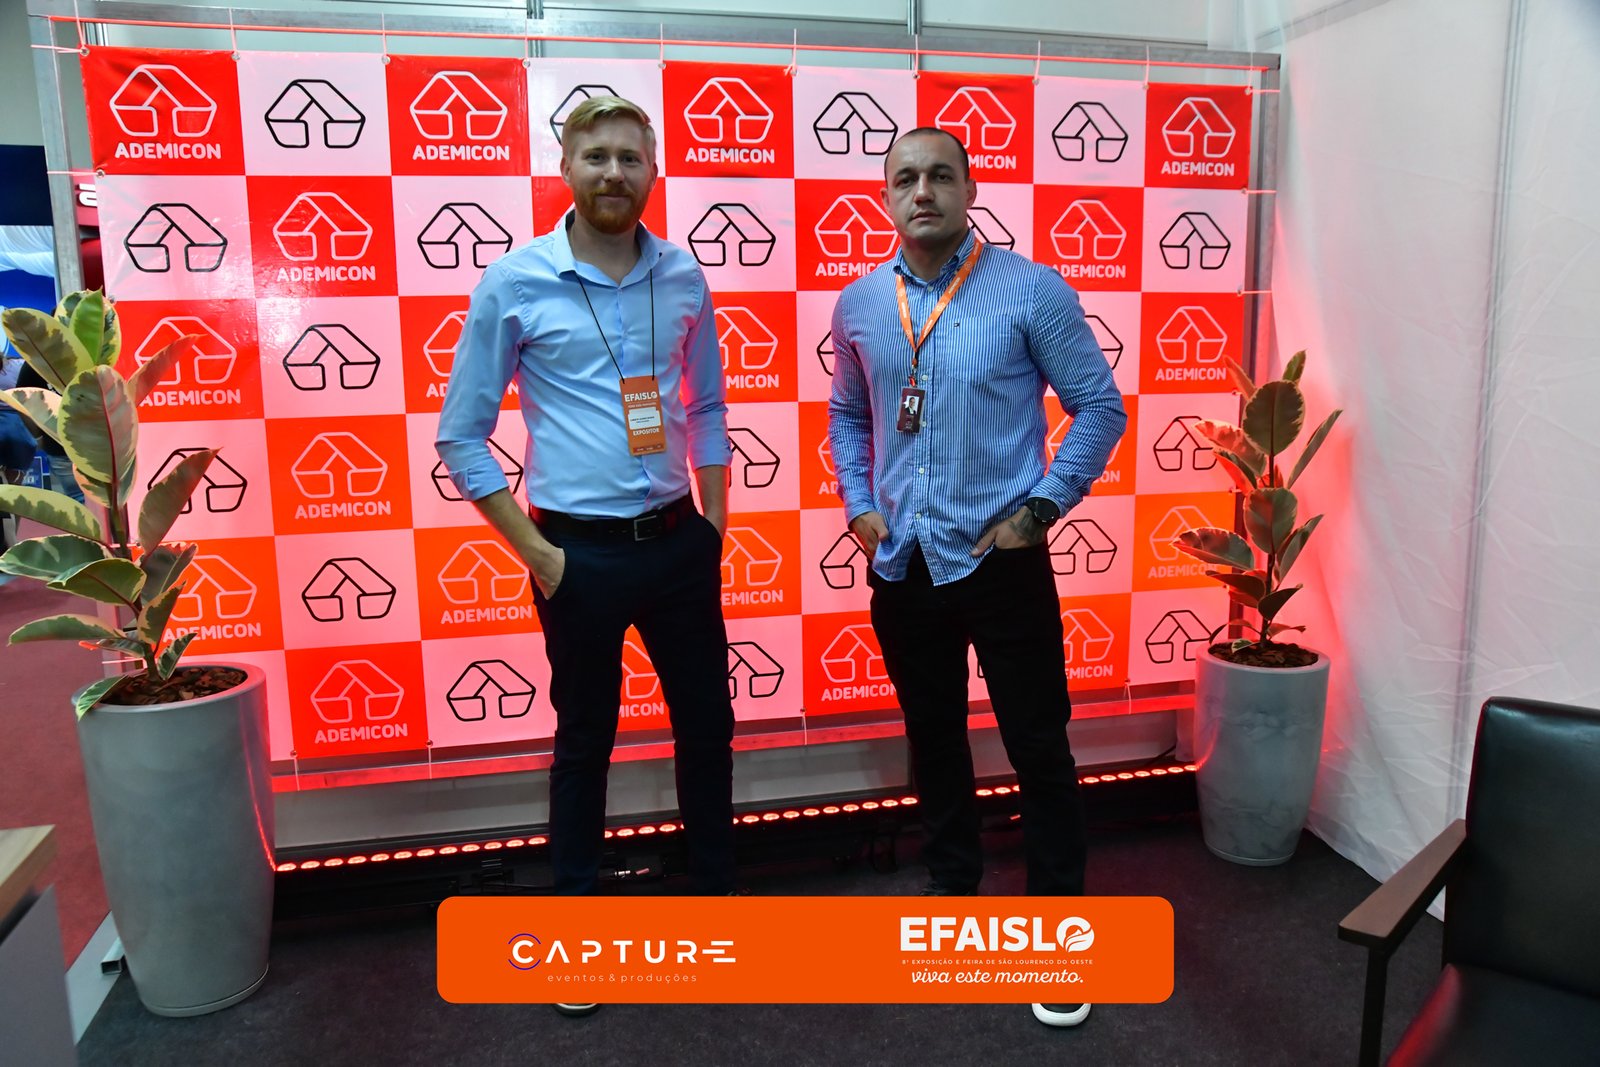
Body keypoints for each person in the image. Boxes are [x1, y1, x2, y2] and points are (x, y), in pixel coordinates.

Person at [435, 96, 738, 1013]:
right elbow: (461, 435)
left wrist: (715, 524)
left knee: (708, 728)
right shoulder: (516, 281)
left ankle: (717, 903)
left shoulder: (683, 275)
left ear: (653, 171)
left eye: (630, 158)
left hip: (678, 542)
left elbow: (708, 406)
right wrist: (538, 553)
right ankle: (574, 934)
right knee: (584, 743)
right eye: (596, 156)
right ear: (566, 168)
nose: (614, 173)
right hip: (577, 557)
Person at [828, 127, 1127, 1030]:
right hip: (905, 561)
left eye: (939, 175)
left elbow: (1099, 406)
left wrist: (1040, 510)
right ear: (886, 196)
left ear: (969, 187)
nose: (922, 191)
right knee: (934, 738)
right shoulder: (860, 304)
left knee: (1038, 744)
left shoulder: (1031, 289)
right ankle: (952, 888)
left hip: (1001, 559)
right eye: (905, 179)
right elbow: (849, 415)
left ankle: (1057, 933)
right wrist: (858, 504)